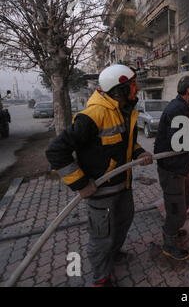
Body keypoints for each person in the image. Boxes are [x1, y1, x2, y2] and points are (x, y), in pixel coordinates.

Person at [46, 64, 153, 287]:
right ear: (119, 89)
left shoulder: (126, 112)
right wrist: (80, 183)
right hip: (100, 193)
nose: (137, 87)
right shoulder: (92, 116)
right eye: (132, 84)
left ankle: (113, 255)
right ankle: (100, 278)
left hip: (123, 187)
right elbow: (56, 151)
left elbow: (126, 145)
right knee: (101, 237)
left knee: (123, 223)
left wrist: (140, 152)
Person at [154, 75, 189, 260]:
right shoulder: (178, 110)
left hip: (181, 167)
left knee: (187, 199)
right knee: (176, 210)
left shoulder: (183, 108)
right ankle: (169, 244)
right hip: (172, 170)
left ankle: (173, 228)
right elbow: (178, 143)